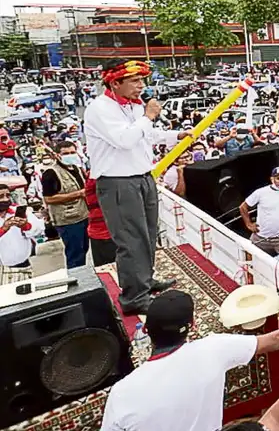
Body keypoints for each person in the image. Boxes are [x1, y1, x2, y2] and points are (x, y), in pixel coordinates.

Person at [100, 290, 279, 431]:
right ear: (193, 325)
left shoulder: (121, 393)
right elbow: (277, 340)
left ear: (145, 330)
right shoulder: (214, 348)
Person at [84, 59, 188, 315]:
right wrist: (149, 116)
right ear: (115, 82)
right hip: (118, 181)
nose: (141, 86)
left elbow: (146, 135)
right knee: (130, 241)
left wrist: (175, 136)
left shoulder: (133, 106)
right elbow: (125, 139)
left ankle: (144, 280)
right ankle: (133, 298)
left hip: (142, 176)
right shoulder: (99, 109)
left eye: (142, 80)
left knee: (148, 234)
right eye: (135, 81)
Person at [40, 140, 89, 268]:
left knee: (83, 250)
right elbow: (49, 199)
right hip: (68, 220)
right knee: (75, 255)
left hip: (83, 215)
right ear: (57, 155)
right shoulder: (50, 173)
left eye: (72, 152)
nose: (70, 155)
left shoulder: (76, 169)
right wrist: (78, 194)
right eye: (66, 153)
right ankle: (78, 281)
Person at [0, 184, 44, 284]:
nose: (5, 199)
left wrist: (25, 226)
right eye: (1, 197)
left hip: (25, 267)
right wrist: (3, 229)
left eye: (7, 195)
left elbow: (39, 229)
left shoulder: (18, 211)